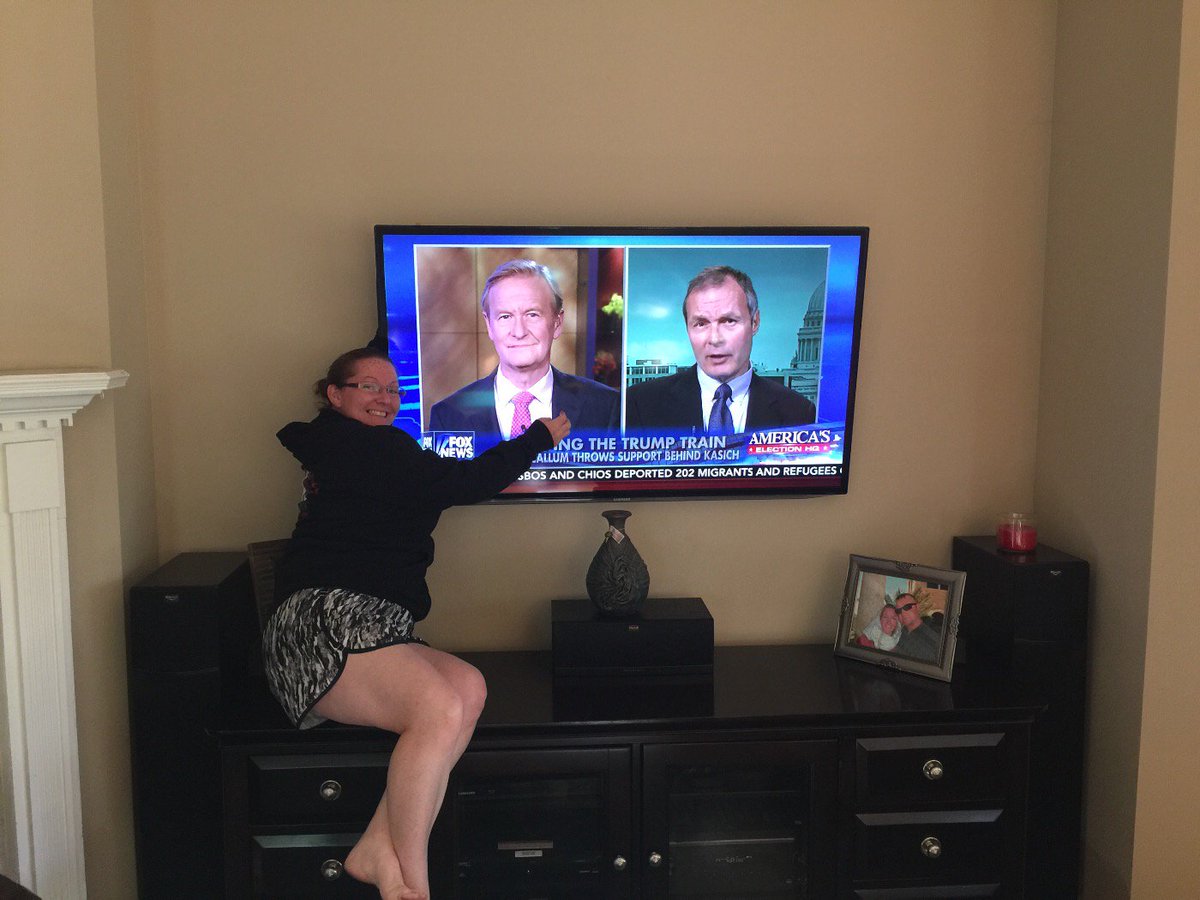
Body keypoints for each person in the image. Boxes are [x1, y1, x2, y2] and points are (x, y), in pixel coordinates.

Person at [262, 346, 570, 900]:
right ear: (335, 395)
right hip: (321, 625)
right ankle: (411, 886)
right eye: (369, 387)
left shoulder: (346, 444)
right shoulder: (363, 445)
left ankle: (375, 851)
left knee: (469, 687)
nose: (385, 399)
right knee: (438, 707)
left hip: (370, 619)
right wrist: (538, 437)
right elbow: (465, 482)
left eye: (393, 389)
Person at [429, 259, 619, 444]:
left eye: (532, 314)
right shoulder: (448, 415)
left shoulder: (606, 406)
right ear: (489, 325)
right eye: (505, 316)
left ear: (557, 322)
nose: (519, 332)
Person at [625, 265, 816, 434]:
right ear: (687, 328)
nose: (715, 339)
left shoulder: (798, 412)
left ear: (755, 322)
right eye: (701, 324)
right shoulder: (638, 404)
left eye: (729, 321)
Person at [892, 592, 941, 663]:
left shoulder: (934, 636)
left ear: (917, 607)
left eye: (907, 607)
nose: (903, 613)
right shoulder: (897, 635)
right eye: (898, 610)